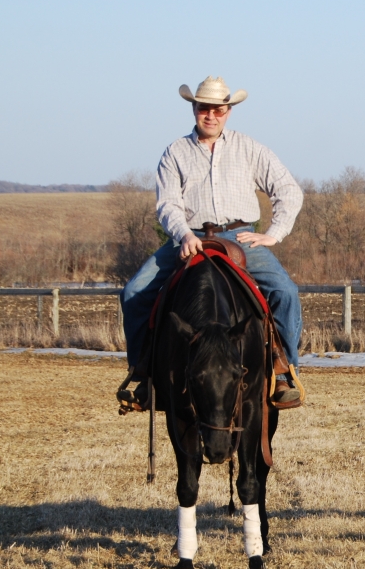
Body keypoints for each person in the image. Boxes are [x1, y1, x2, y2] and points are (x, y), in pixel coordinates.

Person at [118, 76, 304, 409]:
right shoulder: (175, 152)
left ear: (228, 111)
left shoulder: (249, 148)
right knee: (134, 292)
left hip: (240, 236)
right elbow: (168, 204)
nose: (211, 115)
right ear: (194, 109)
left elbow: (288, 190)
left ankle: (283, 372)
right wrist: (184, 234)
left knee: (285, 292)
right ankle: (142, 374)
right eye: (204, 108)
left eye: (218, 109)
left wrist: (273, 233)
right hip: (188, 238)